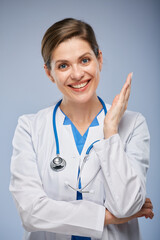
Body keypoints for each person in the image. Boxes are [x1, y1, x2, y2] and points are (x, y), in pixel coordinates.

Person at [10, 18, 154, 240]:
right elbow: (30, 213)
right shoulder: (30, 127)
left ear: (99, 59)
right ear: (49, 73)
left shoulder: (134, 124)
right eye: (63, 65)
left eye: (85, 60)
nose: (77, 74)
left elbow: (126, 207)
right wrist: (105, 217)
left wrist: (111, 131)